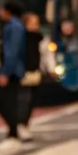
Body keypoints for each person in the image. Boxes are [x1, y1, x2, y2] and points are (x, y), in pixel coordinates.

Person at [0, 1, 26, 151]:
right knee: (6, 101)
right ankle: (13, 132)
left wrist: (5, 72)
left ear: (8, 11)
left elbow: (12, 51)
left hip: (12, 71)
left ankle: (14, 133)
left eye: (1, 9)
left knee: (1, 100)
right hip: (11, 70)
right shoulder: (11, 26)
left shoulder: (14, 27)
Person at [18, 13, 44, 142]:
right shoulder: (21, 38)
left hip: (35, 73)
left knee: (31, 100)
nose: (35, 25)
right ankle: (21, 126)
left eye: (37, 22)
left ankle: (25, 125)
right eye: (33, 22)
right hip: (23, 73)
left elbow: (44, 54)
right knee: (24, 100)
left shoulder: (39, 37)